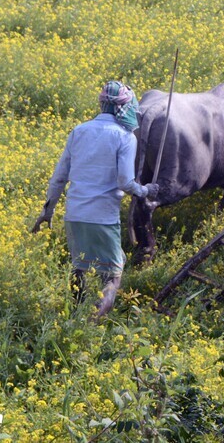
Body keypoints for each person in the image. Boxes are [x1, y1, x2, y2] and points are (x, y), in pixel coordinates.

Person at [30, 81, 159, 320]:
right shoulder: (125, 137)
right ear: (124, 108)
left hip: (75, 214)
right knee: (112, 275)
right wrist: (146, 190)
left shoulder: (79, 131)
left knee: (79, 270)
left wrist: (47, 211)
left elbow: (59, 177)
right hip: (102, 217)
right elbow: (125, 182)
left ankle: (74, 317)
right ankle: (89, 325)